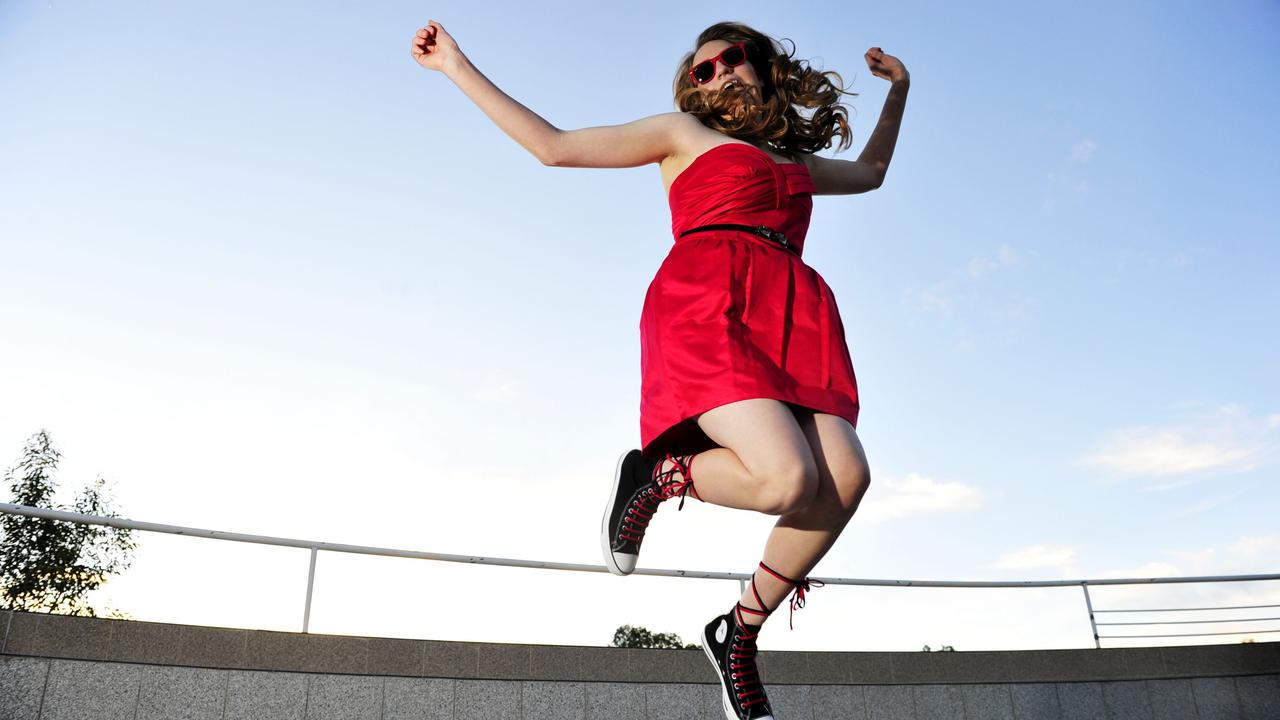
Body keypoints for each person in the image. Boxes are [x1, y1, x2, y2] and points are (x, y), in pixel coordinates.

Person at [412, 19, 908, 720]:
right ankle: (656, 474)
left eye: (731, 59)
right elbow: (552, 148)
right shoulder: (681, 135)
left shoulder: (790, 160)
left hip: (792, 309)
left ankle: (737, 631)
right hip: (710, 299)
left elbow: (872, 173)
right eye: (701, 70)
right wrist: (456, 67)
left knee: (847, 477)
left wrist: (900, 92)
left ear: (761, 66)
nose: (717, 74)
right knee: (786, 477)